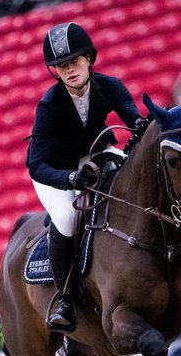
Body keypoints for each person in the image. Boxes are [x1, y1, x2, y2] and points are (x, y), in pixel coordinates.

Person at [27, 22, 142, 333]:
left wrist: (139, 129)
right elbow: (35, 165)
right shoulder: (49, 106)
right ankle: (64, 299)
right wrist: (70, 178)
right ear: (55, 71)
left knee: (138, 183)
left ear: (89, 59)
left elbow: (133, 119)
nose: (70, 69)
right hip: (57, 172)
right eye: (62, 65)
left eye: (75, 60)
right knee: (65, 217)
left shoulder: (111, 86)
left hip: (97, 155)